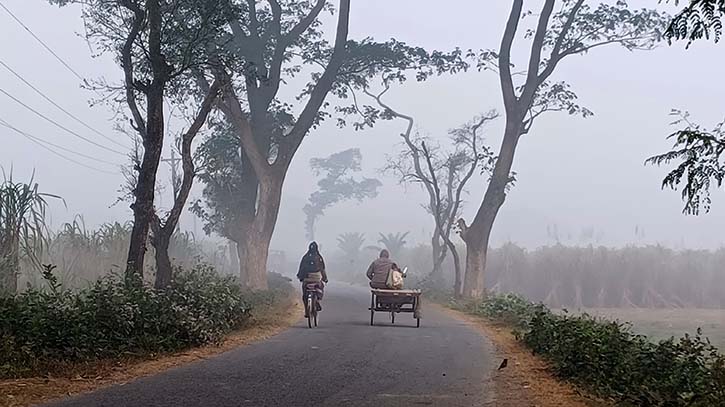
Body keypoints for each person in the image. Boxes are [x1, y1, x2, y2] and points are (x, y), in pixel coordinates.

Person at [297, 242, 328, 316]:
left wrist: (301, 278)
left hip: (307, 279)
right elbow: (322, 269)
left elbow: (301, 268)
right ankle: (317, 300)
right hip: (317, 278)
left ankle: (307, 312)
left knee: (305, 295)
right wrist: (325, 279)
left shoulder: (305, 257)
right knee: (320, 287)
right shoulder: (319, 257)